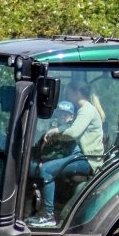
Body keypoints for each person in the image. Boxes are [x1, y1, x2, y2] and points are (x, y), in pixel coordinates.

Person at [32, 83, 104, 226]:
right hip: (80, 155)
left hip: (87, 160)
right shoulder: (83, 110)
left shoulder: (86, 110)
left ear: (76, 92)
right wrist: (56, 131)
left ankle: (49, 215)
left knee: (46, 169)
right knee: (44, 164)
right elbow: (70, 127)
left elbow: (73, 133)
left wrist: (55, 133)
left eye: (68, 93)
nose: (66, 96)